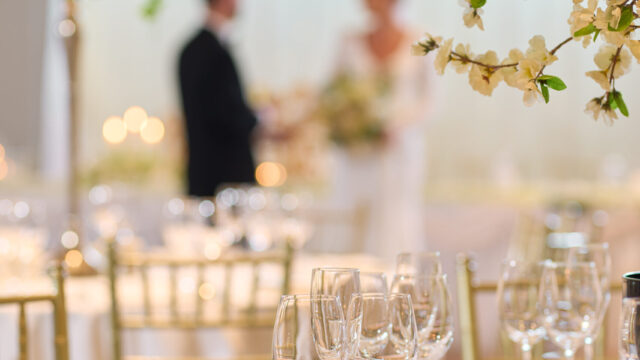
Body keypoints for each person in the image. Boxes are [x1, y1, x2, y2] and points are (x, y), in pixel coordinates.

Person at [330, 0, 431, 258]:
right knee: (355, 216)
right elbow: (332, 93)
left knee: (396, 220)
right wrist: (354, 121)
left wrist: (400, 126)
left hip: (399, 151)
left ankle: (398, 291)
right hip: (359, 153)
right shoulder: (348, 41)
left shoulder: (421, 40)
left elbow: (429, 100)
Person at [178, 0, 257, 197]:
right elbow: (221, 113)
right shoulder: (206, 51)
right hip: (220, 178)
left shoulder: (196, 49)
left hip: (209, 174)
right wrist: (257, 122)